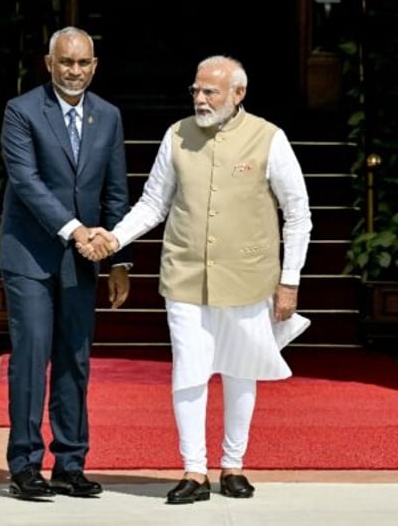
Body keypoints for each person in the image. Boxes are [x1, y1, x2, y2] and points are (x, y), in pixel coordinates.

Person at [79, 55, 312, 504]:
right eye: (196, 91)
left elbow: (298, 214)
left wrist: (290, 281)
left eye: (211, 92)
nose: (200, 99)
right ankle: (193, 469)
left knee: (242, 371)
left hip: (249, 274)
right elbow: (152, 204)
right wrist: (114, 238)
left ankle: (233, 465)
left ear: (238, 94)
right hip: (185, 273)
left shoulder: (270, 138)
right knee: (189, 369)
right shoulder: (177, 136)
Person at [0, 26, 132, 500]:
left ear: (94, 66)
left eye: (82, 63)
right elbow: (27, 181)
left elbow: (116, 189)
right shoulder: (22, 111)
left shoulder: (109, 116)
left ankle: (70, 463)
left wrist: (120, 260)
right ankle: (25, 464)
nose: (74, 71)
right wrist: (76, 230)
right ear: (49, 63)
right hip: (30, 256)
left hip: (86, 261)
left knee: (75, 359)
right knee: (33, 356)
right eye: (66, 63)